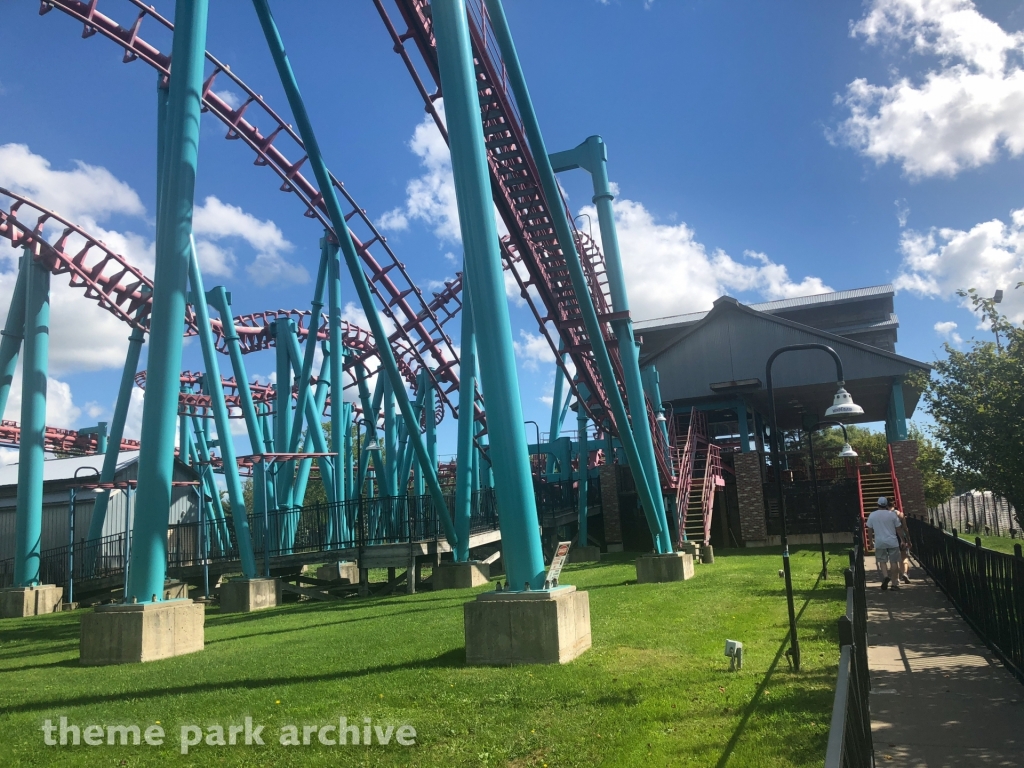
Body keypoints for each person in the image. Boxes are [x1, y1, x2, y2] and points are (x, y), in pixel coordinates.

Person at [866, 497, 908, 591]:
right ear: (886, 505)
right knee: (894, 562)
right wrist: (902, 540)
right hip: (892, 541)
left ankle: (885, 576)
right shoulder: (892, 515)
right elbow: (899, 529)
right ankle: (894, 583)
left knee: (882, 561)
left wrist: (870, 541)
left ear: (878, 504)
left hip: (880, 541)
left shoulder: (872, 515)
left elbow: (869, 530)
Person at [893, 506, 912, 583]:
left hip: (892, 538)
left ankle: (896, 578)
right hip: (901, 538)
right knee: (904, 557)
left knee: (894, 560)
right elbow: (905, 528)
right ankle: (904, 573)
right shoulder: (901, 515)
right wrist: (908, 540)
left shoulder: (887, 516)